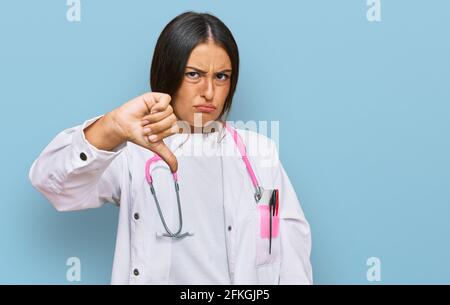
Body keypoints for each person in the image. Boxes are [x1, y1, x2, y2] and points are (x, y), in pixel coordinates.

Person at [29, 11, 312, 285]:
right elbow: (53, 184)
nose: (209, 92)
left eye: (221, 76)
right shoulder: (133, 150)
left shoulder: (259, 153)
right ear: (169, 73)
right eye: (193, 74)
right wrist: (111, 126)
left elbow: (292, 256)